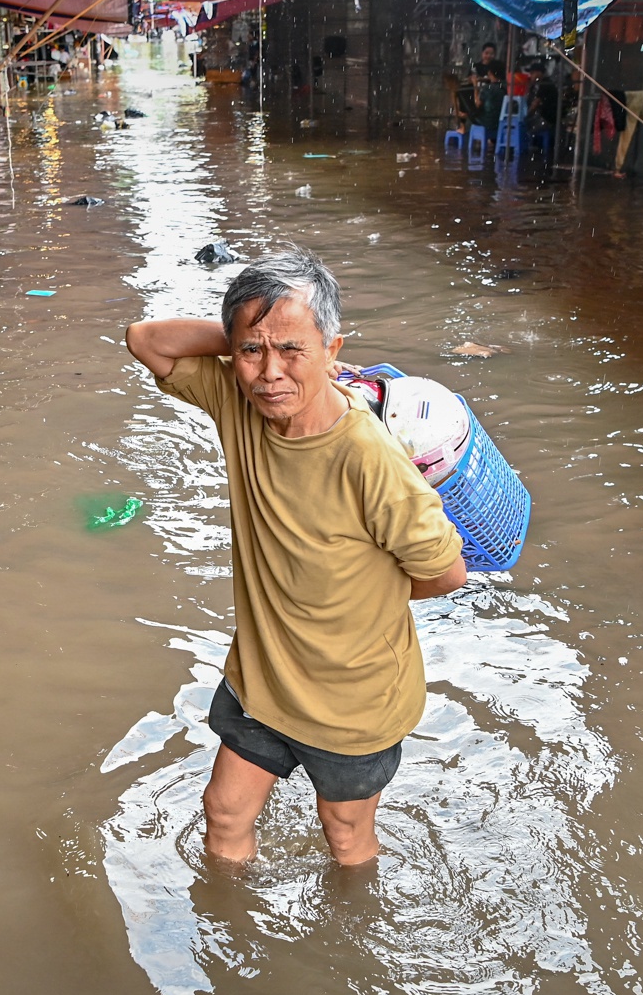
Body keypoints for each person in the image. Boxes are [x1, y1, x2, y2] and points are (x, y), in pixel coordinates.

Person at [124, 249, 468, 867]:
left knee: (346, 838)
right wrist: (250, 337)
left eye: (294, 351)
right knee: (224, 814)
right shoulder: (240, 400)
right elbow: (146, 340)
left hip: (354, 701)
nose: (271, 373)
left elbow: (447, 574)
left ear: (333, 350)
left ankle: (351, 945)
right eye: (253, 351)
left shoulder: (372, 461)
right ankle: (231, 943)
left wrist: (360, 593)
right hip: (263, 679)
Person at [470, 42, 506, 142]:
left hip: (489, 121)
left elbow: (477, 104)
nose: (489, 56)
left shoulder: (488, 88)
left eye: (491, 53)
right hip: (500, 121)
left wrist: (475, 87)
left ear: (490, 73)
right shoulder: (504, 87)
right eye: (486, 53)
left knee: (472, 113)